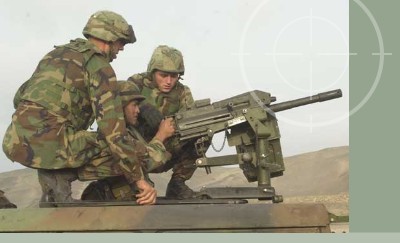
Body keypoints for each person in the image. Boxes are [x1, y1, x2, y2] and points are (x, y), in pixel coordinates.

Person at [2, 11, 156, 205]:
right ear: (110, 38)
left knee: (70, 138)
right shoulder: (99, 66)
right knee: (129, 148)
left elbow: (20, 97)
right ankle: (61, 178)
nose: (121, 49)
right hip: (51, 144)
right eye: (122, 43)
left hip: (15, 142)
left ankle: (54, 179)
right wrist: (139, 179)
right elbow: (114, 132)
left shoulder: (55, 55)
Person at [127, 45, 205, 199]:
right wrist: (143, 107)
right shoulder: (136, 83)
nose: (169, 81)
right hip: (135, 149)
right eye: (163, 75)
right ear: (153, 72)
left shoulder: (183, 92)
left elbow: (190, 121)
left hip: (166, 148)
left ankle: (177, 184)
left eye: (174, 76)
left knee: (202, 134)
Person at [79, 81, 176, 201]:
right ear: (120, 106)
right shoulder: (112, 136)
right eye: (134, 105)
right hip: (115, 203)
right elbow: (145, 161)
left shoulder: (127, 131)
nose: (138, 111)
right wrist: (161, 135)